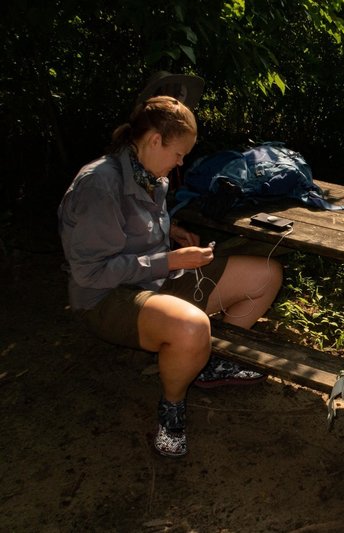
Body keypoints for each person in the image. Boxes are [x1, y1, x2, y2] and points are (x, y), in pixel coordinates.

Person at [58, 95, 283, 457]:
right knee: (192, 327)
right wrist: (170, 259)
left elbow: (137, 229)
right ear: (154, 140)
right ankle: (171, 408)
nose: (181, 163)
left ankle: (204, 363)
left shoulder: (152, 177)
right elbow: (92, 271)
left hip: (153, 280)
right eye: (179, 154)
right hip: (104, 297)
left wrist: (172, 231)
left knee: (265, 274)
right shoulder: (99, 184)